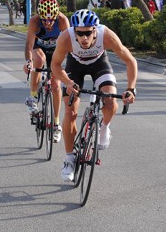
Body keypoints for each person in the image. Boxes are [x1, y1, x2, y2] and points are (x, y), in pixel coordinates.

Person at [51, 9, 137, 182]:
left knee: (111, 101)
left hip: (99, 64)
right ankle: (69, 159)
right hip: (75, 67)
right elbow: (55, 65)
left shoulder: (106, 35)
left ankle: (104, 127)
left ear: (95, 30)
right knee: (70, 113)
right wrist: (68, 82)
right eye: (80, 33)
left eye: (88, 33)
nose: (84, 38)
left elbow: (130, 60)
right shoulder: (65, 38)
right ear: (74, 31)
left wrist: (131, 88)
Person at [23, 0, 70, 143]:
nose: (48, 23)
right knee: (39, 60)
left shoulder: (62, 21)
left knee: (56, 86)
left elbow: (69, 44)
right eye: (45, 20)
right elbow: (29, 45)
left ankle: (56, 124)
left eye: (51, 20)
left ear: (56, 16)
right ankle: (33, 96)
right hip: (39, 47)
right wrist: (28, 62)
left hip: (56, 50)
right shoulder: (34, 21)